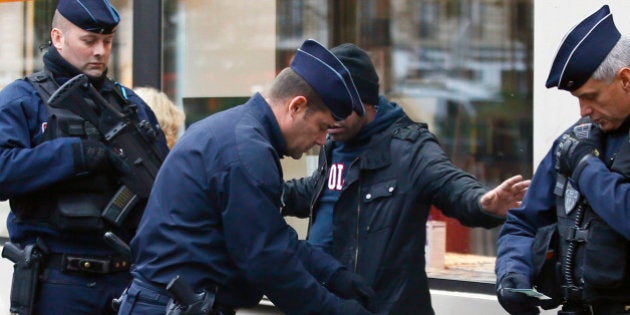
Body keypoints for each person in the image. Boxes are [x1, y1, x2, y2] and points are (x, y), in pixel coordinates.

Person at [117, 39, 378, 315]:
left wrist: (336, 276)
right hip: (171, 305)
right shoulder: (246, 152)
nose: (321, 140)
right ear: (296, 107)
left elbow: (275, 238)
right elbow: (269, 261)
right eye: (321, 127)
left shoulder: (238, 134)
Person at [281, 43, 531, 314]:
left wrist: (482, 202)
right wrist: (265, 192)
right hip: (327, 302)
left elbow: (449, 184)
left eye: (342, 109)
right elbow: (320, 189)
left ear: (366, 103)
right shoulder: (334, 143)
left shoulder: (409, 148)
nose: (332, 119)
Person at [0, 1, 168, 315]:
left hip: (128, 278)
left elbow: (165, 183)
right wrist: (75, 154)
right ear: (58, 38)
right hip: (60, 280)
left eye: (107, 41)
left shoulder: (129, 104)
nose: (100, 51)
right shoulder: (23, 99)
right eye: (89, 41)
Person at [495, 5, 630, 315]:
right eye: (578, 99)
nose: (583, 111)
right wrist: (512, 274)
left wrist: (586, 169)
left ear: (625, 79)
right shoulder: (577, 140)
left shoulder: (579, 153)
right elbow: (523, 224)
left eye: (591, 97)